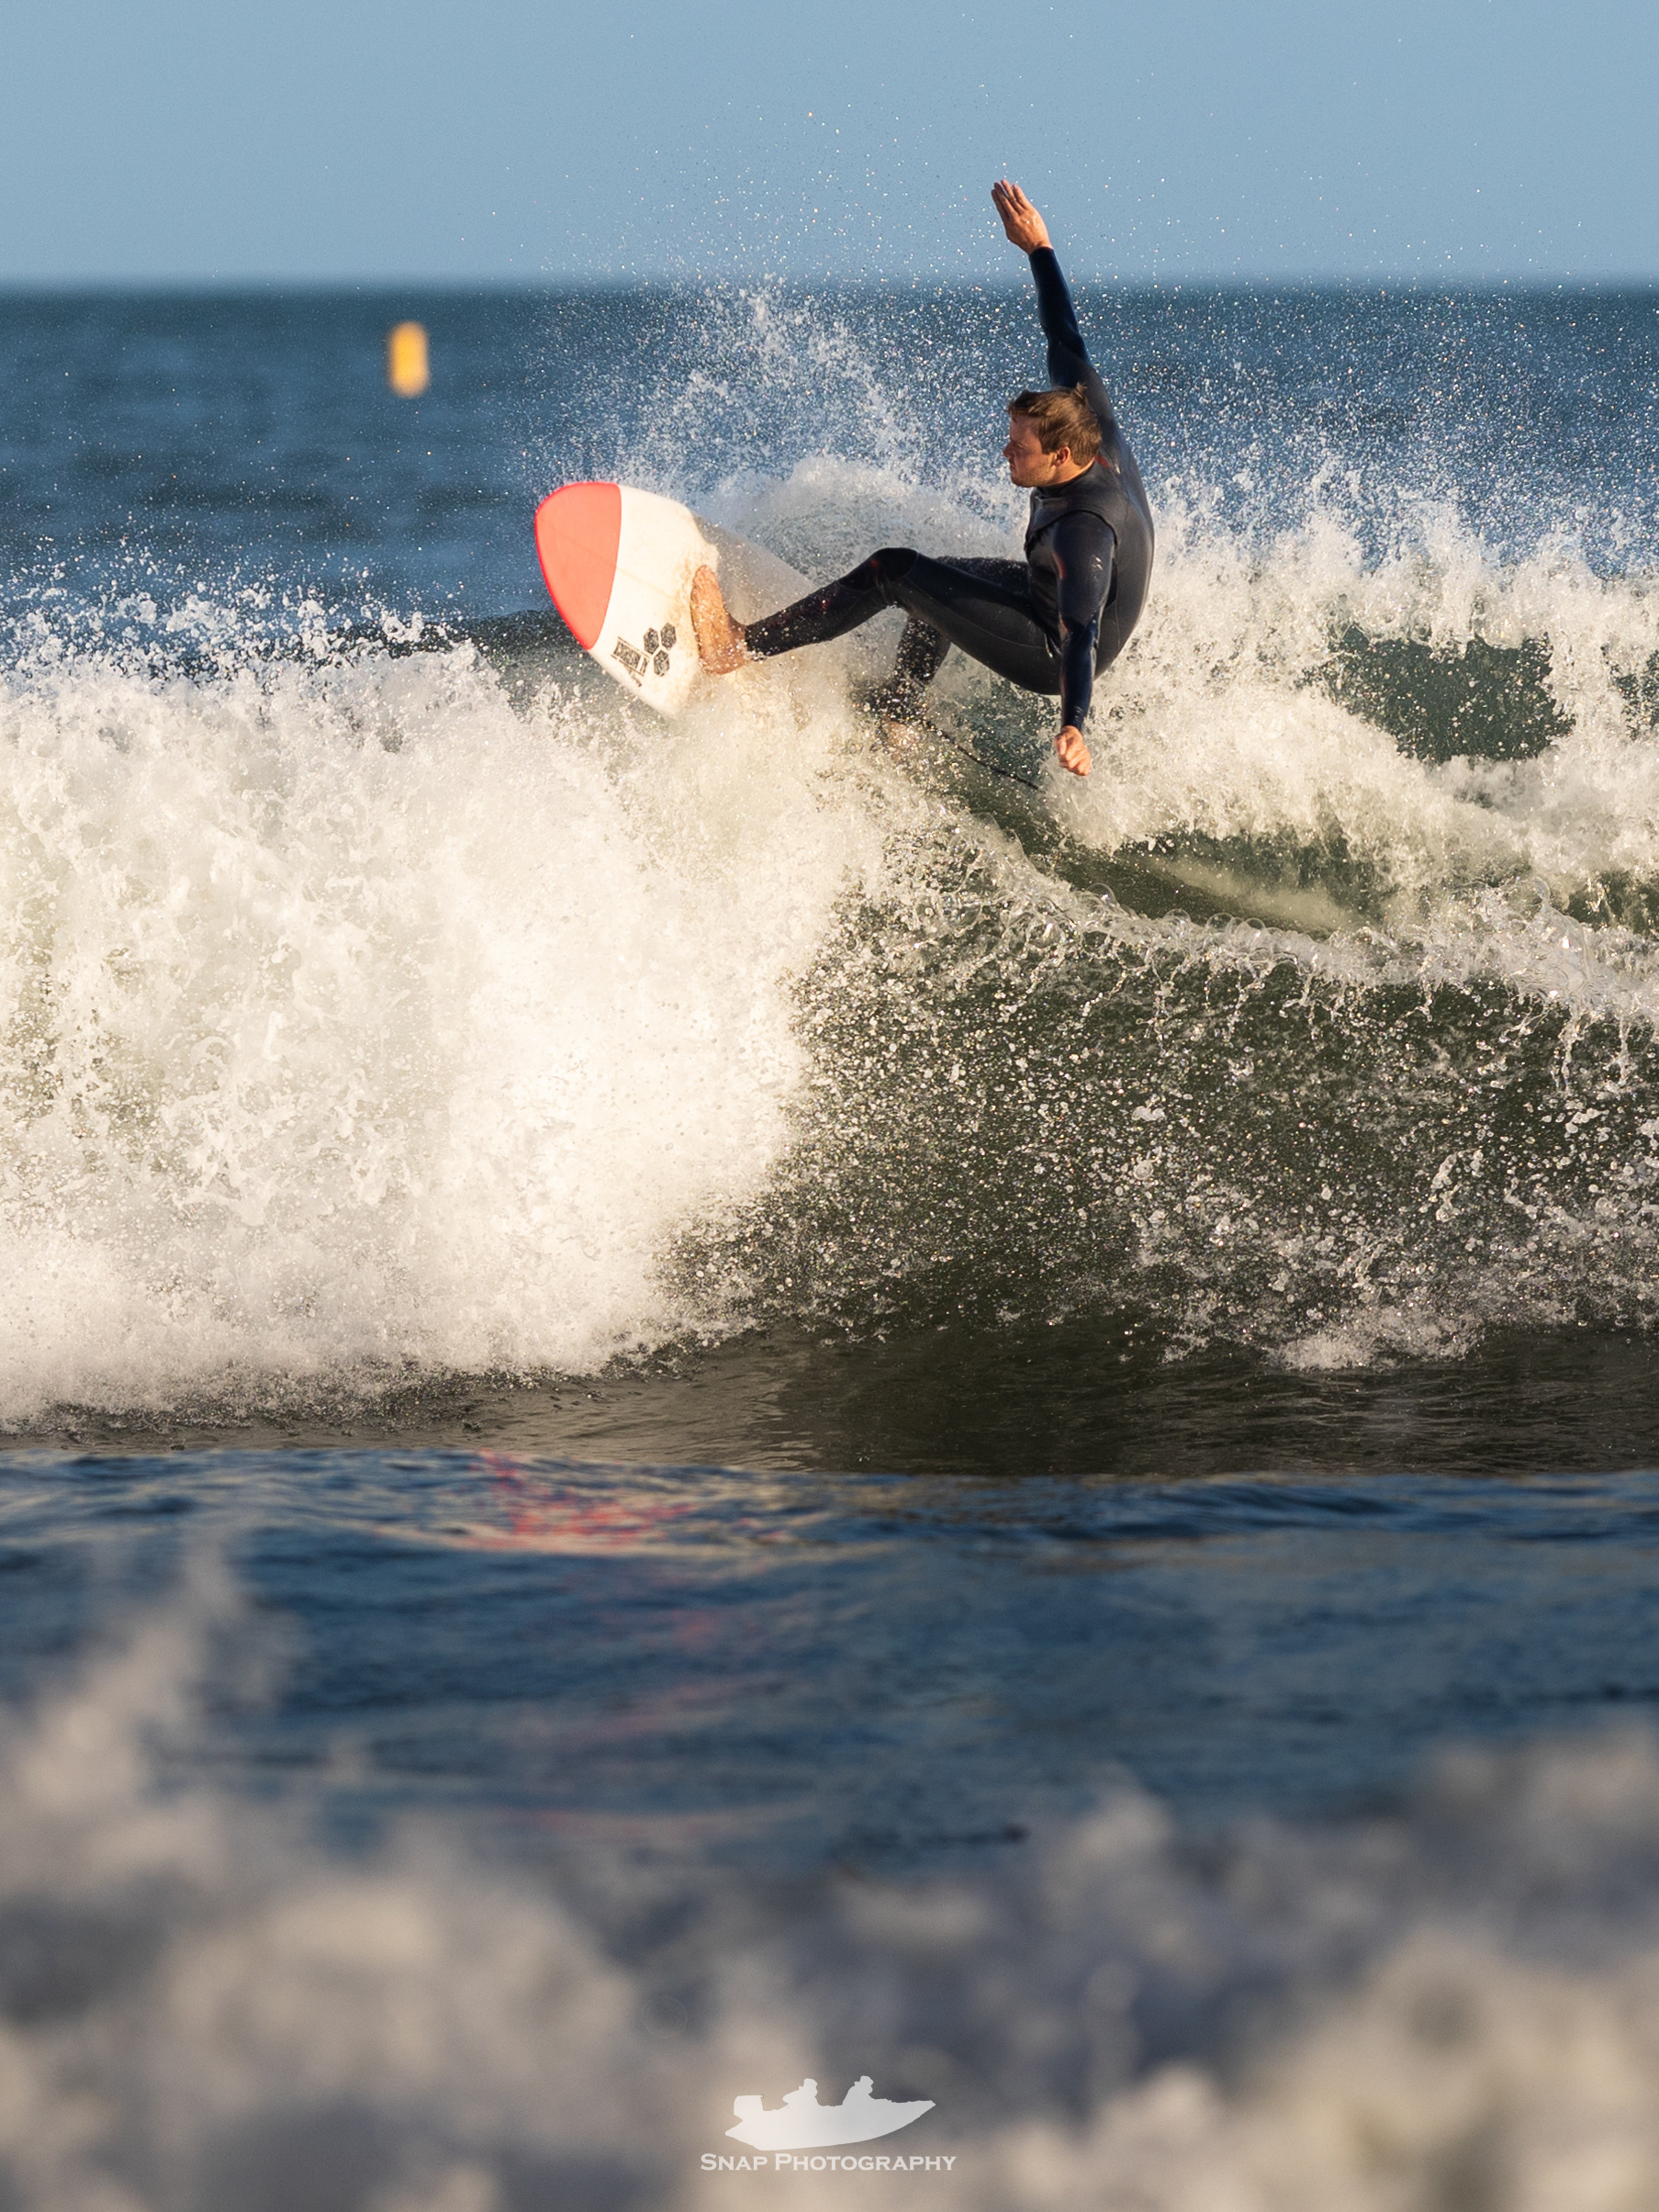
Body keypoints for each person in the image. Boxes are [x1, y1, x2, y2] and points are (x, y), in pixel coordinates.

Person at [690, 179, 1154, 780]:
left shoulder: (1081, 533)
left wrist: (1072, 723)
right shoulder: (1088, 418)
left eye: (1019, 448)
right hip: (1053, 598)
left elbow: (1080, 629)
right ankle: (900, 710)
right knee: (941, 581)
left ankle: (736, 647)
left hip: (1055, 648)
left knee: (896, 571)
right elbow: (1064, 335)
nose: (1004, 451)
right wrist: (1039, 249)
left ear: (1062, 456)